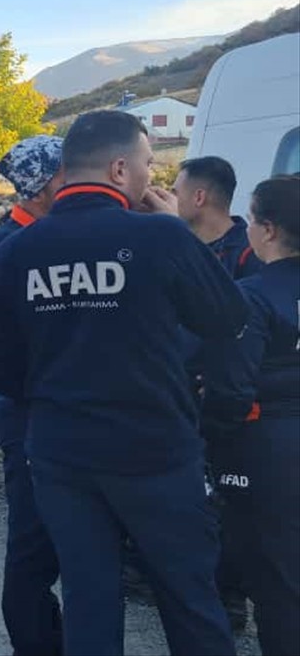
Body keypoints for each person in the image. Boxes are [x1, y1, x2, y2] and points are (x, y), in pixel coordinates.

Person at [0, 110, 246, 656]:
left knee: (90, 599)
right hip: (155, 450)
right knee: (189, 597)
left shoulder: (15, 251)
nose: (151, 177)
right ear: (120, 168)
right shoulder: (162, 236)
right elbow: (228, 318)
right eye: (147, 164)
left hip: (62, 454)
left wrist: (59, 385)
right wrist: (181, 232)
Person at [0, 135, 66, 656]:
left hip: (30, 407)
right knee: (31, 544)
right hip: (25, 410)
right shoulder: (9, 247)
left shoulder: (20, 239)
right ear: (47, 183)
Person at [201, 175, 300, 656]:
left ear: (268, 229)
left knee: (278, 585)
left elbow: (229, 391)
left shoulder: (253, 295)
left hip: (269, 452)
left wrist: (209, 440)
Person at [172, 155, 258, 630]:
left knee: (227, 498)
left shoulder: (248, 253)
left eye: (179, 190)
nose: (173, 198)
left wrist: (219, 378)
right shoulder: (178, 246)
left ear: (199, 197)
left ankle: (230, 596)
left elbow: (249, 330)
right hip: (178, 395)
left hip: (222, 401)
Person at [173, 156, 264, 280]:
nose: (170, 198)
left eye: (175, 193)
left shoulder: (250, 253)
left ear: (199, 197)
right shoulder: (186, 243)